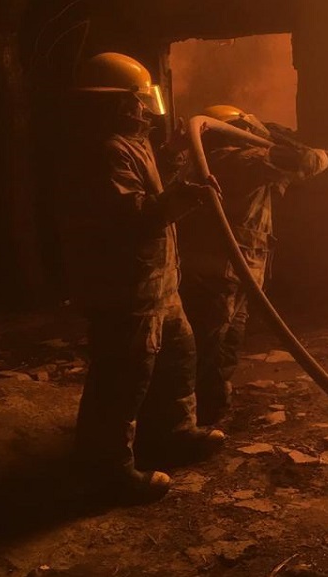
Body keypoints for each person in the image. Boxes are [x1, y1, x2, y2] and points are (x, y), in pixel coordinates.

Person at [58, 52, 226, 504]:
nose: (145, 108)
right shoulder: (102, 151)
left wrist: (173, 156)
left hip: (156, 283)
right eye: (138, 99)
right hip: (125, 290)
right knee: (122, 379)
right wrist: (183, 199)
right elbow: (129, 215)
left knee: (177, 358)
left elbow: (151, 186)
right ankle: (105, 471)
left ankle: (173, 434)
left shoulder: (131, 143)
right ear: (118, 102)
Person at [176, 105, 328, 425]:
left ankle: (211, 411)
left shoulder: (225, 162)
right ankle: (188, 420)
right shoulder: (232, 160)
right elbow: (297, 161)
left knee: (225, 345)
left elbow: (287, 171)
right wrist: (326, 157)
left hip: (234, 272)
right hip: (219, 274)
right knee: (207, 348)